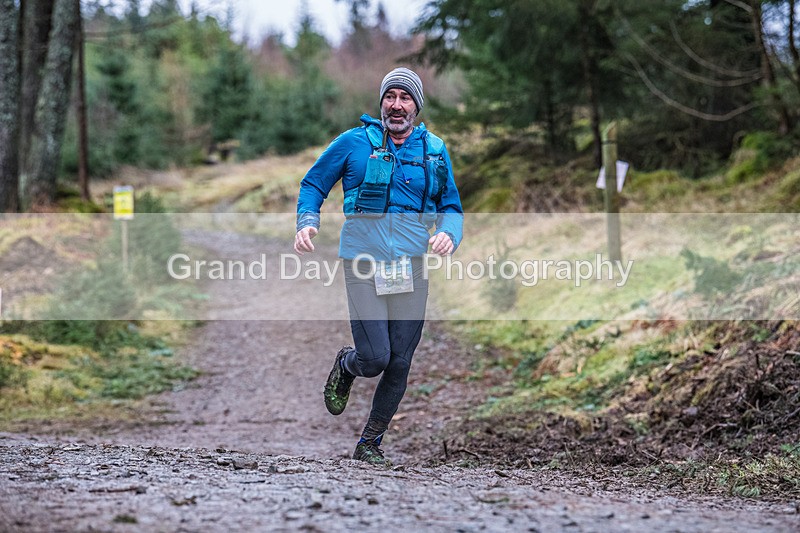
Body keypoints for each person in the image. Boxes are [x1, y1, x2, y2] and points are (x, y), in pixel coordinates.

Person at [293, 67, 463, 466]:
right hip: (363, 262)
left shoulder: (434, 151)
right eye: (391, 97)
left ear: (416, 107)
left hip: (411, 266)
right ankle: (346, 364)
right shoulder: (353, 143)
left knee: (400, 360)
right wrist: (307, 220)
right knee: (375, 359)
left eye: (406, 98)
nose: (397, 105)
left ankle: (370, 443)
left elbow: (451, 207)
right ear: (382, 101)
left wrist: (449, 235)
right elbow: (313, 184)